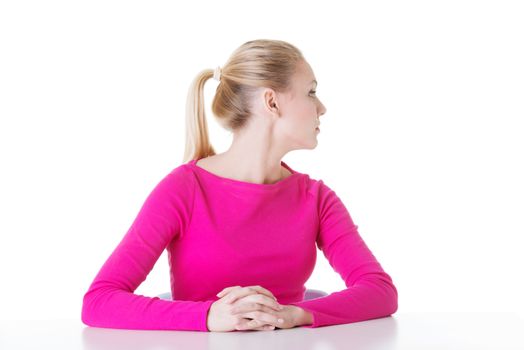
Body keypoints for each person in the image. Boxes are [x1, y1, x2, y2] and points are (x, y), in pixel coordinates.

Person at [81, 39, 398, 332]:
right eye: (311, 92)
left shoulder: (316, 199)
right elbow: (98, 301)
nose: (322, 107)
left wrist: (295, 313)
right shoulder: (183, 189)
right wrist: (207, 316)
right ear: (271, 102)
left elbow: (380, 291)